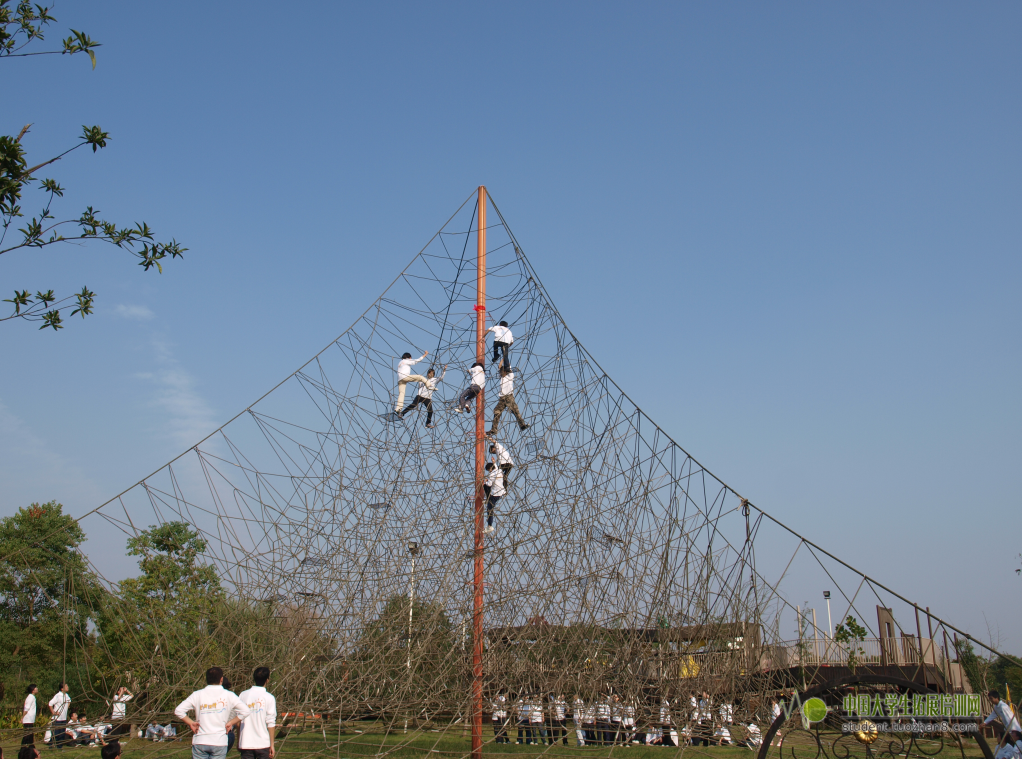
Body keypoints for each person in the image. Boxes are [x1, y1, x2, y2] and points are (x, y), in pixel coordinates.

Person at [174, 666, 251, 759]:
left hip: (200, 740)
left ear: (206, 679)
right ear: (221, 679)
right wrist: (231, 722)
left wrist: (191, 723)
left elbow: (178, 710)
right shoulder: (229, 695)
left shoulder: (197, 695)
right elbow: (246, 711)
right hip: (219, 741)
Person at [238, 666, 277, 759]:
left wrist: (239, 740)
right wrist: (272, 744)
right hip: (263, 743)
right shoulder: (269, 698)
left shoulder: (243, 695)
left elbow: (238, 720)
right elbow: (270, 723)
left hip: (246, 743)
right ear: (267, 680)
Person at [487, 366, 529, 435]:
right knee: (496, 411)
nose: (500, 373)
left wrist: (506, 359)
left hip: (509, 397)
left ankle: (522, 425)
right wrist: (502, 358)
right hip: (502, 398)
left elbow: (507, 364)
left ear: (505, 372)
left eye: (501, 372)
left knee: (515, 411)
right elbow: (499, 366)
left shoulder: (510, 376)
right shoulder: (501, 378)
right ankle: (494, 429)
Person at [983, 690, 1022, 756]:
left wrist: (1009, 731)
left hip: (1013, 730)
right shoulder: (997, 707)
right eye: (989, 699)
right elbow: (993, 715)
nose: (990, 700)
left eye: (991, 698)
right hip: (1009, 730)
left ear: (997, 698)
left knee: (1015, 748)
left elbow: (1009, 719)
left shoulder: (1003, 707)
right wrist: (985, 722)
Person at [483, 462, 505, 534]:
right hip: (501, 492)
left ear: (489, 469)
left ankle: (490, 526)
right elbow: (496, 467)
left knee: (489, 509)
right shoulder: (498, 470)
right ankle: (488, 499)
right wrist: (494, 462)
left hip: (495, 494)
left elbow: (489, 484)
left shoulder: (492, 474)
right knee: (490, 506)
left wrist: (485, 482)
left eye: (488, 470)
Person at [49, 682, 71, 749]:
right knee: (56, 733)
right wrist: (53, 712)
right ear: (62, 688)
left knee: (62, 733)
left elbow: (69, 701)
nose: (67, 687)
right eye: (66, 686)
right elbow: (50, 703)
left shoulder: (66, 695)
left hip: (63, 718)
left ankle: (60, 747)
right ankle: (51, 745)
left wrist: (66, 708)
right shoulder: (58, 695)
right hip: (57, 718)